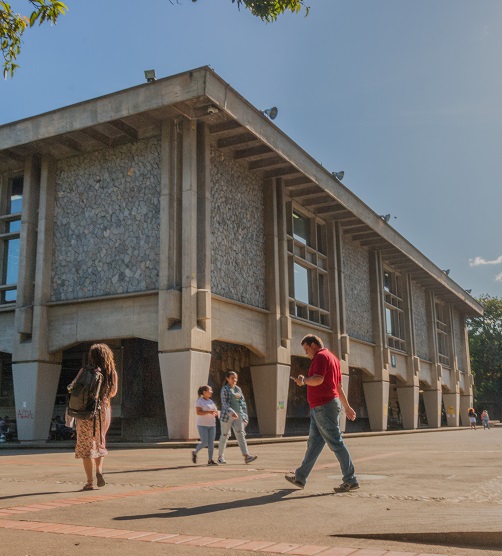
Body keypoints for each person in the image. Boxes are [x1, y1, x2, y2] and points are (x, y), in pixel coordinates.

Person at [285, 334, 358, 493]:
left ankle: (350, 479)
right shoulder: (333, 358)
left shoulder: (320, 357)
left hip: (323, 407)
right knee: (314, 443)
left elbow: (318, 379)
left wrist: (303, 381)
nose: (306, 354)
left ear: (313, 345)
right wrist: (346, 406)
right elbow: (338, 387)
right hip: (325, 406)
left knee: (336, 442)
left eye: (306, 349)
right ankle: (300, 477)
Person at [70, 343, 118, 490]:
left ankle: (89, 482)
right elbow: (113, 393)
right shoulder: (111, 372)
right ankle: (99, 471)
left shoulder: (85, 371)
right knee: (99, 441)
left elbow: (73, 387)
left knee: (86, 446)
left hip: (85, 411)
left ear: (92, 356)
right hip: (103, 410)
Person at [217, 371, 257, 465]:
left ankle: (246, 456)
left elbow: (242, 403)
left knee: (241, 434)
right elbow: (225, 403)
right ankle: (220, 456)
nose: (234, 380)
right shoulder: (225, 389)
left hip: (238, 415)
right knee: (225, 435)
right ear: (227, 379)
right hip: (227, 416)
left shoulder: (238, 389)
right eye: (232, 378)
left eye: (236, 378)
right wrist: (231, 412)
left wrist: (244, 416)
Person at [192, 385, 219, 465]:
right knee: (204, 442)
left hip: (212, 425)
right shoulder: (200, 401)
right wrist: (209, 412)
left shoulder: (211, 401)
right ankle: (195, 452)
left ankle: (210, 460)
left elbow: (215, 410)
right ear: (204, 392)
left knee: (211, 443)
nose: (211, 392)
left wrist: (216, 413)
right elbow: (198, 412)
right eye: (210, 390)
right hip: (202, 425)